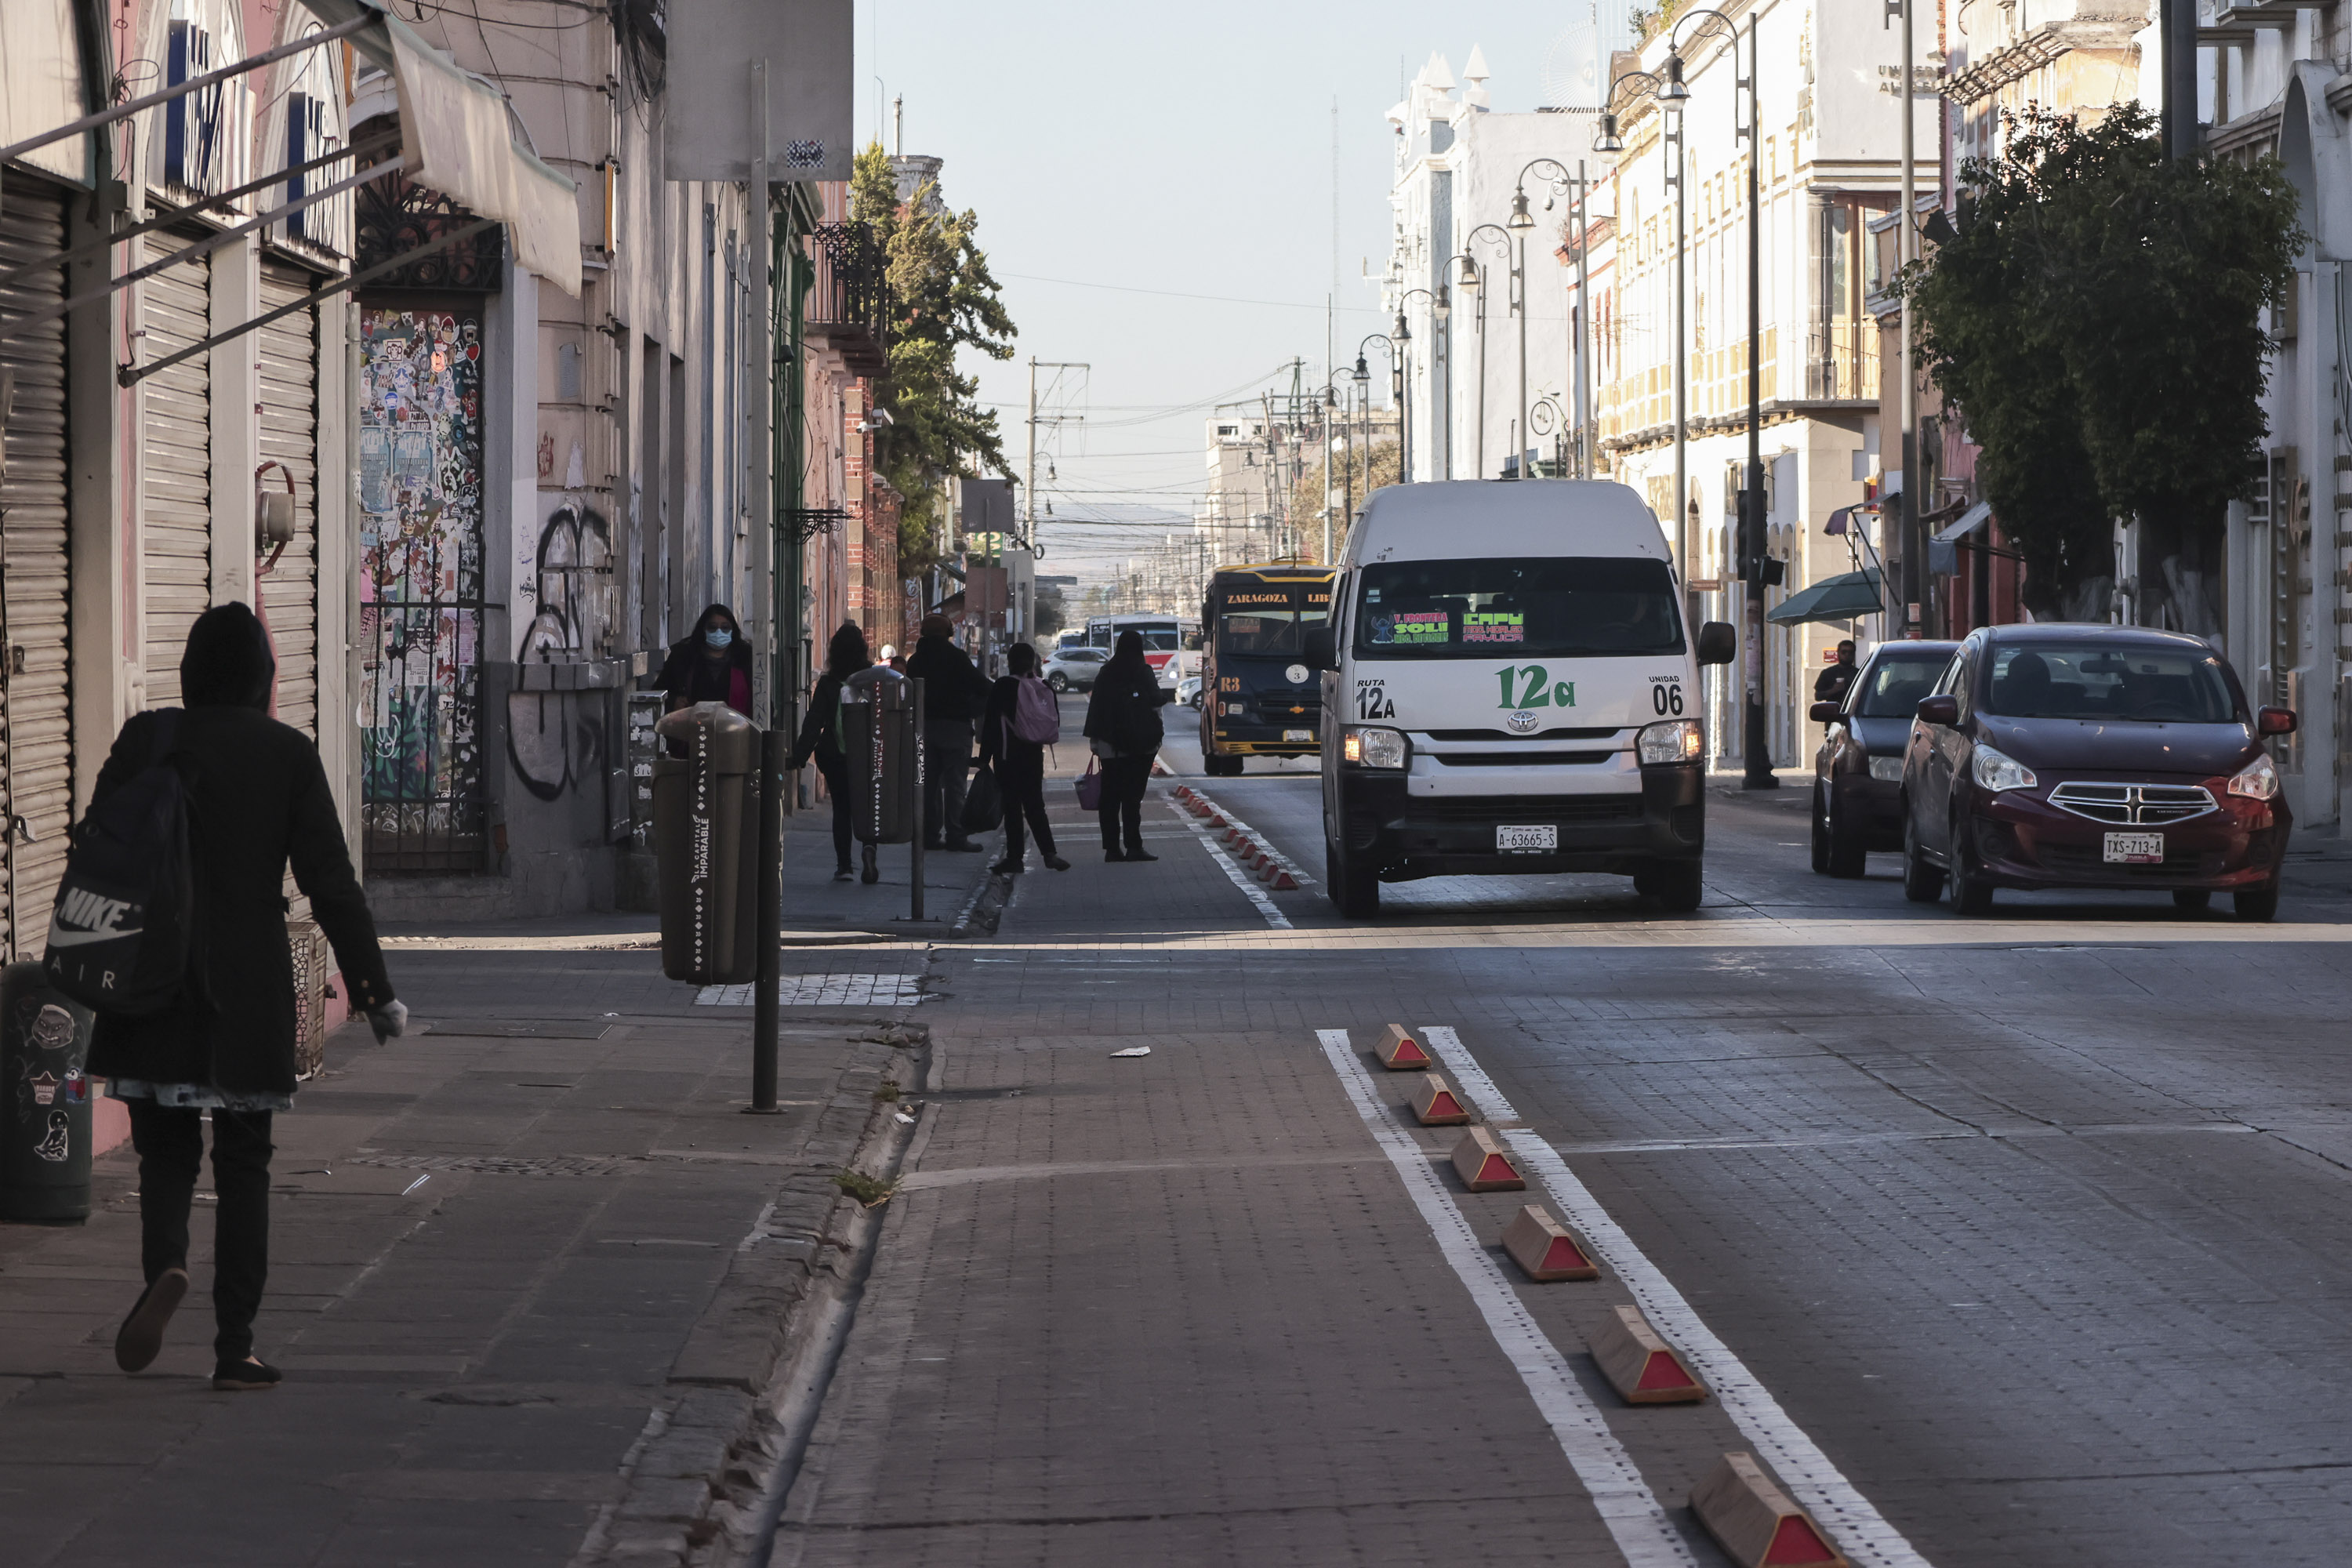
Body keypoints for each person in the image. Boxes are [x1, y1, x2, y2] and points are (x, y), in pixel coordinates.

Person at [93, 603, 401, 1392]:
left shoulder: (146, 738)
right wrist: (372, 989)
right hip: (246, 989)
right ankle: (236, 1346)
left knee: (163, 1149)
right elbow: (330, 881)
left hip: (150, 982)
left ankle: (165, 1263)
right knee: (244, 1162)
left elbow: (93, 845)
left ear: (191, 673)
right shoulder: (286, 754)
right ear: (264, 679)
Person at [791, 622, 877, 884]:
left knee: (842, 809)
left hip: (834, 755)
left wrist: (799, 756)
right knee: (867, 807)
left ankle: (844, 866)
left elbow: (814, 722)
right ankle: (869, 850)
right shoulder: (871, 679)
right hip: (866, 755)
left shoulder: (828, 684)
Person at [976, 642, 1069, 876]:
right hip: (1033, 755)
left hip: (1008, 756)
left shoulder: (1004, 686)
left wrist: (983, 758)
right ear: (1033, 662)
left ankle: (1015, 858)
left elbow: (991, 725)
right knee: (1035, 805)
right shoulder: (1044, 685)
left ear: (1010, 662)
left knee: (1013, 808)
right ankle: (1049, 853)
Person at [904, 613, 990, 854]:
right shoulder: (956, 657)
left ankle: (929, 835)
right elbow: (982, 686)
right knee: (955, 786)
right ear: (949, 633)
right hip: (955, 728)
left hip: (923, 730)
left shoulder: (916, 661)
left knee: (928, 786)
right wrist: (976, 707)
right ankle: (956, 836)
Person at [1082, 630, 1168, 862]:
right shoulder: (1143, 671)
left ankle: (1112, 849)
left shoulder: (1106, 673)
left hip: (1111, 746)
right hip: (1141, 746)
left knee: (1110, 798)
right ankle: (1134, 846)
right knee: (1132, 798)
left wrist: (1095, 740)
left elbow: (1096, 709)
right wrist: (1157, 735)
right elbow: (1156, 704)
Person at [658, 604, 753, 718]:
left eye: (725, 628)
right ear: (703, 629)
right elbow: (659, 692)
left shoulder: (745, 656)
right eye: (712, 627)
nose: (719, 632)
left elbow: (760, 698)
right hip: (690, 729)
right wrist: (673, 702)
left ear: (732, 631)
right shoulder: (683, 656)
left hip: (737, 730)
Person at [1813, 640, 1859, 711]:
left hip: (1854, 714)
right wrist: (1833, 690)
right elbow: (1817, 696)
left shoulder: (1859, 674)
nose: (1847, 655)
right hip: (1832, 715)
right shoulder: (1827, 673)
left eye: (1850, 652)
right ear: (1838, 653)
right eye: (1844, 652)